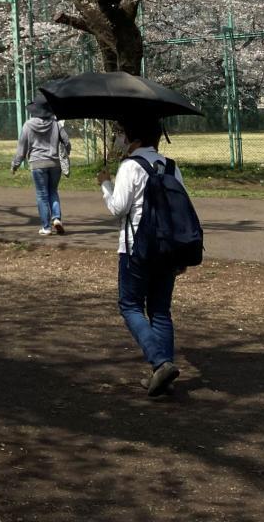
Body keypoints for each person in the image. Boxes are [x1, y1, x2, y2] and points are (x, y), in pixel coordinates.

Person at [98, 116, 183, 397]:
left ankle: (160, 363)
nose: (120, 140)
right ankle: (163, 372)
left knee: (130, 305)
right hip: (168, 249)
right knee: (160, 310)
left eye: (122, 134)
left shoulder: (130, 166)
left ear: (133, 139)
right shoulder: (171, 166)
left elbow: (117, 209)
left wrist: (105, 184)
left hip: (136, 247)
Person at [11, 98, 71, 236]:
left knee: (42, 195)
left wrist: (15, 165)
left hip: (37, 164)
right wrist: (66, 153)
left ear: (34, 111)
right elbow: (67, 141)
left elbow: (21, 149)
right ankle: (56, 218)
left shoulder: (28, 125)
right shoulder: (56, 124)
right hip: (55, 164)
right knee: (53, 191)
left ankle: (46, 227)